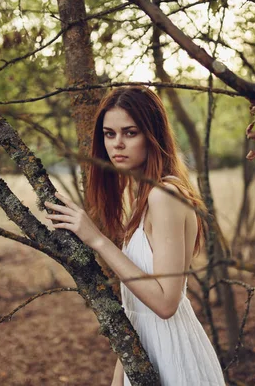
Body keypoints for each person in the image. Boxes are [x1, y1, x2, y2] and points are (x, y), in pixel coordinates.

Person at [43, 86, 225, 385]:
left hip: (174, 359)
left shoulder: (165, 195)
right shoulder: (143, 196)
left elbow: (166, 303)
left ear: (153, 135)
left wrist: (97, 239)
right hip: (145, 356)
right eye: (109, 134)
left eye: (130, 133)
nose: (117, 145)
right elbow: (136, 316)